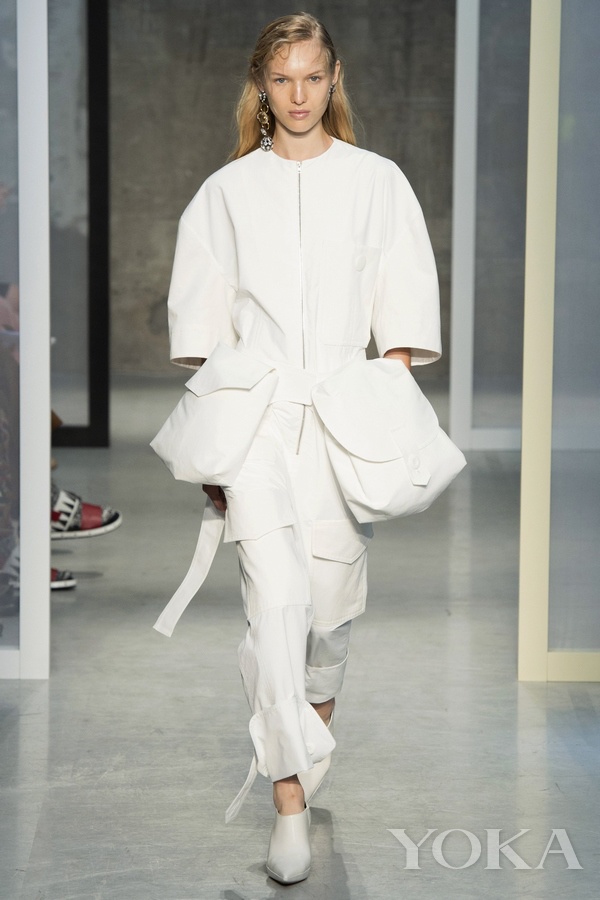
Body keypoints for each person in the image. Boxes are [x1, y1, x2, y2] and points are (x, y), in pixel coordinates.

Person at [156, 12, 441, 884]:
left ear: (334, 78)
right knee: (274, 606)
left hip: (342, 418)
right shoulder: (227, 193)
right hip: (260, 421)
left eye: (313, 77)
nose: (299, 94)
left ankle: (305, 740)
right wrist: (217, 451)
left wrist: (380, 404)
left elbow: (403, 313)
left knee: (328, 617)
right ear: (262, 86)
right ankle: (288, 803)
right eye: (282, 79)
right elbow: (202, 332)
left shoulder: (378, 182)